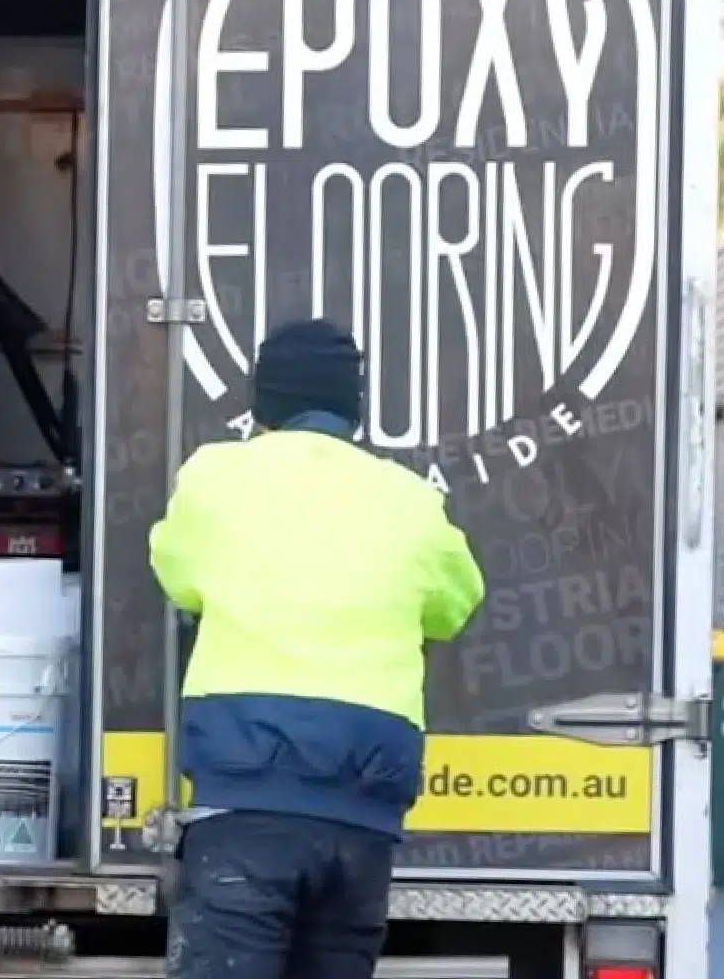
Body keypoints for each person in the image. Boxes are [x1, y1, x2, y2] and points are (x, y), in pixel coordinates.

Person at [149, 318, 485, 979]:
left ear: (261, 403)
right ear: (354, 408)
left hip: (247, 796)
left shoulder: (217, 477)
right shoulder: (413, 499)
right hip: (363, 810)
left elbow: (177, 576)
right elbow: (454, 606)